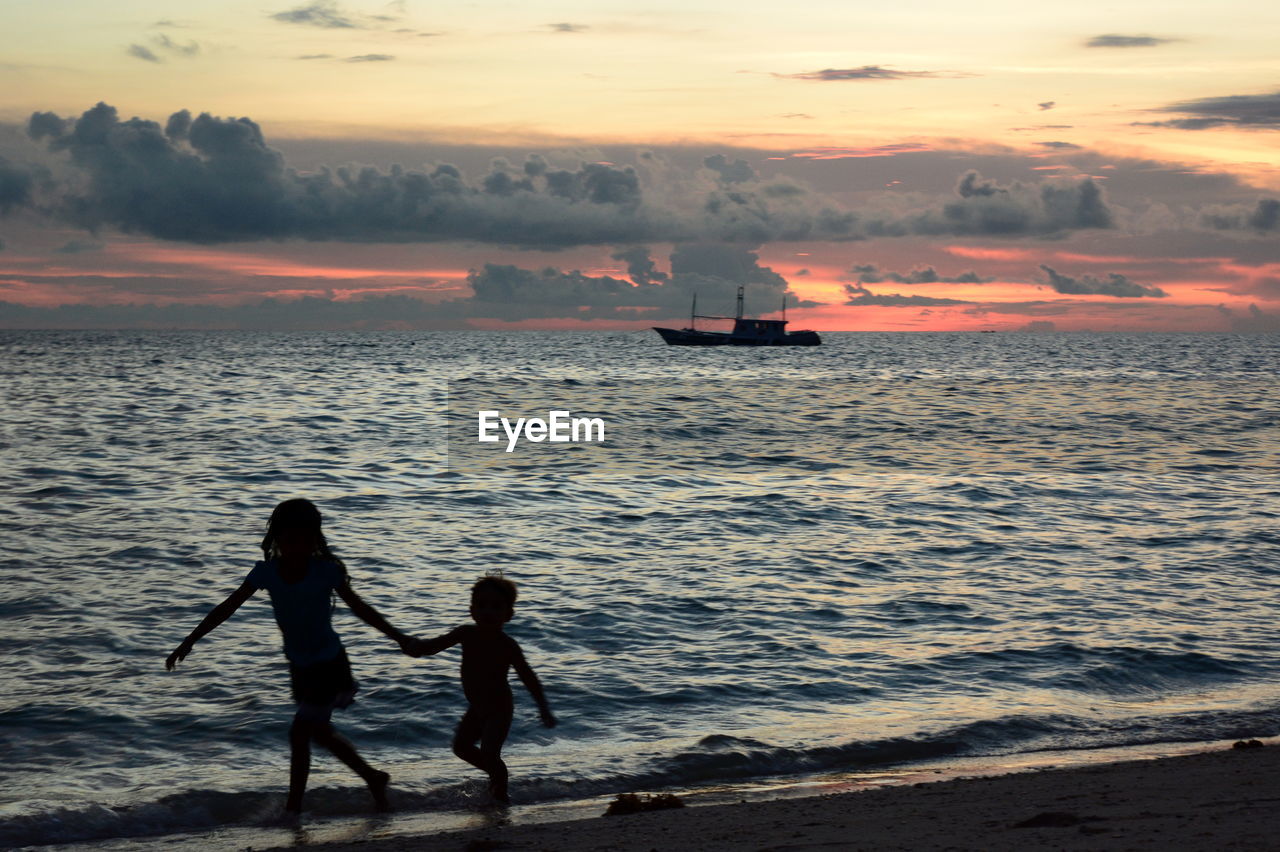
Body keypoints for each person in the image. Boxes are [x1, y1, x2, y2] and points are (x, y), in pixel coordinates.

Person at [165, 498, 414, 815]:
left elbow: (360, 609)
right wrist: (190, 640)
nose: (297, 547)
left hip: (329, 663)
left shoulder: (325, 572)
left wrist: (400, 638)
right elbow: (228, 607)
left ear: (315, 541)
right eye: (290, 539)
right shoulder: (266, 573)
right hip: (300, 666)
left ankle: (294, 808)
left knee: (301, 733)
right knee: (317, 732)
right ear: (277, 538)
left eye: (305, 540)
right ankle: (372, 777)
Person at [408, 575, 556, 804]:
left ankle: (500, 792)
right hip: (476, 708)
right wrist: (416, 647)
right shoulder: (465, 634)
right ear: (472, 610)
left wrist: (543, 708)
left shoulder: (507, 645)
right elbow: (434, 646)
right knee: (461, 747)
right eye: (482, 605)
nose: (488, 611)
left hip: (499, 709)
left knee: (489, 752)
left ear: (509, 615)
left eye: (496, 607)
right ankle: (495, 777)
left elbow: (528, 678)